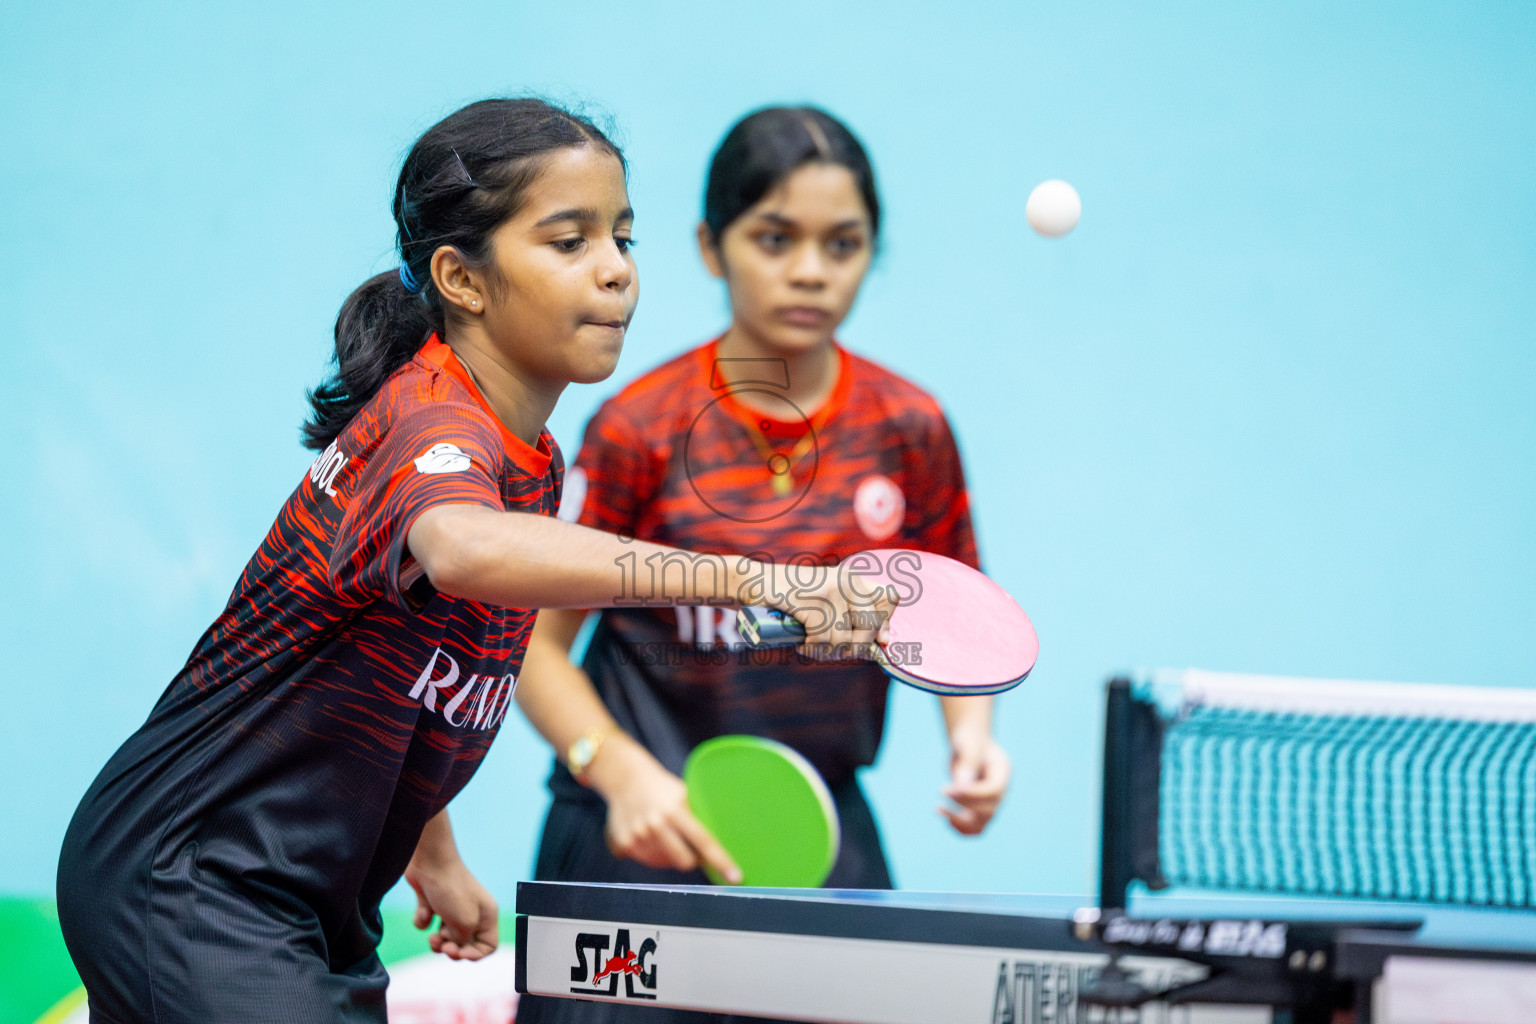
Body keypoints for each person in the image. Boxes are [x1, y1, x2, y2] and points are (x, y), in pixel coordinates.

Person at [54, 97, 877, 1024]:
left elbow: (409, 668)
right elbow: (462, 549)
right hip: (193, 872)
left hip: (307, 891)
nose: (616, 270)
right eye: (569, 242)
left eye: (623, 238)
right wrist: (750, 577)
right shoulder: (429, 421)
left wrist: (430, 848)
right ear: (462, 278)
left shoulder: (528, 462)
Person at [514, 106, 1012, 1024]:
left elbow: (955, 611)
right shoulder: (640, 429)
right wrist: (616, 770)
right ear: (712, 246)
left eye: (843, 243)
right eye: (775, 238)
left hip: (819, 829)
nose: (811, 270)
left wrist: (971, 739)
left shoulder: (910, 428)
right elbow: (533, 649)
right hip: (640, 832)